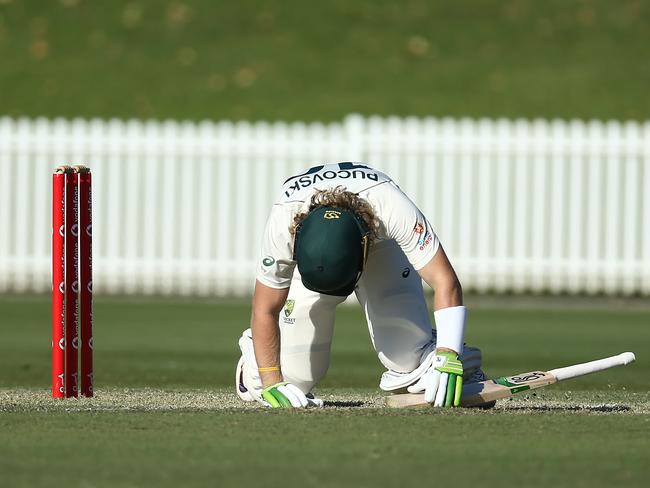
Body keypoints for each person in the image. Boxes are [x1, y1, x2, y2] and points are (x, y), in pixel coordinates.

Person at [235, 162, 487, 408]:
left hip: (380, 238)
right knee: (292, 378)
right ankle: (251, 366)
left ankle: (458, 362)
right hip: (316, 255)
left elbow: (445, 280)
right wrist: (270, 381)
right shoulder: (283, 223)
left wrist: (448, 352)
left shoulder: (391, 207)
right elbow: (264, 309)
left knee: (406, 358)